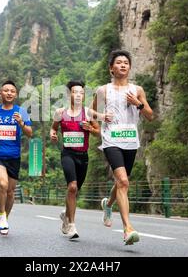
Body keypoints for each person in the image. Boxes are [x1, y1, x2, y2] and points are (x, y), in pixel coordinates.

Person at [92, 49, 153, 245]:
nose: (123, 65)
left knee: (121, 183)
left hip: (130, 141)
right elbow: (91, 113)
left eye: (126, 62)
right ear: (111, 68)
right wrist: (101, 117)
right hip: (111, 141)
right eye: (118, 62)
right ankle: (128, 229)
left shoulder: (138, 90)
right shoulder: (103, 90)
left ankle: (108, 204)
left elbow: (150, 116)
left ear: (130, 67)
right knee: (124, 182)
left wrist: (138, 104)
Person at [0, 80, 33, 235]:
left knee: (10, 192)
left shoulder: (21, 112)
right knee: (2, 184)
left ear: (15, 94)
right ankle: (2, 215)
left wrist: (21, 123)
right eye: (6, 90)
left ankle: (4, 218)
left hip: (13, 157)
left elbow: (30, 133)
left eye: (12, 91)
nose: (9, 93)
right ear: (0, 93)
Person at [50, 81, 100, 239]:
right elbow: (54, 127)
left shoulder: (89, 113)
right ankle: (72, 225)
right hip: (68, 154)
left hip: (83, 156)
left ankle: (66, 214)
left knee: (75, 190)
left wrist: (90, 129)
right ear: (69, 94)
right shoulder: (60, 112)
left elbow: (98, 132)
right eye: (74, 92)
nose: (78, 95)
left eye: (81, 93)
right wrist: (53, 134)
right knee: (72, 187)